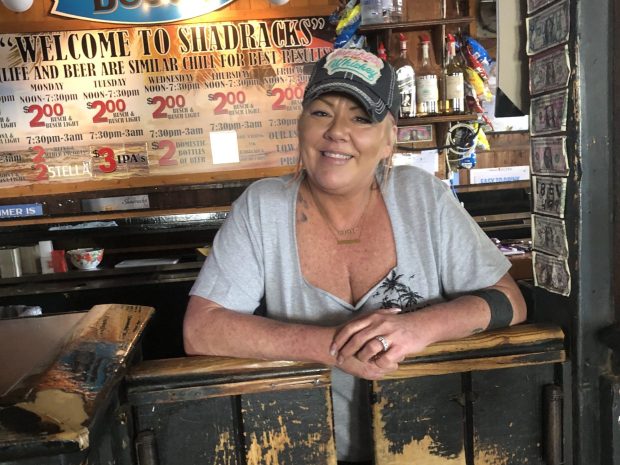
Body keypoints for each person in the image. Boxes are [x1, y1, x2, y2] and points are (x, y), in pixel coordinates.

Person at [183, 48, 527, 465]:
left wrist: (422, 327)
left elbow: (509, 300)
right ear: (301, 125)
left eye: (362, 118)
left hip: (434, 448)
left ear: (389, 140)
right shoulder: (262, 206)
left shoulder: (422, 197)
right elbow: (200, 331)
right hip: (307, 451)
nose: (337, 131)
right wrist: (333, 346)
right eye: (322, 112)